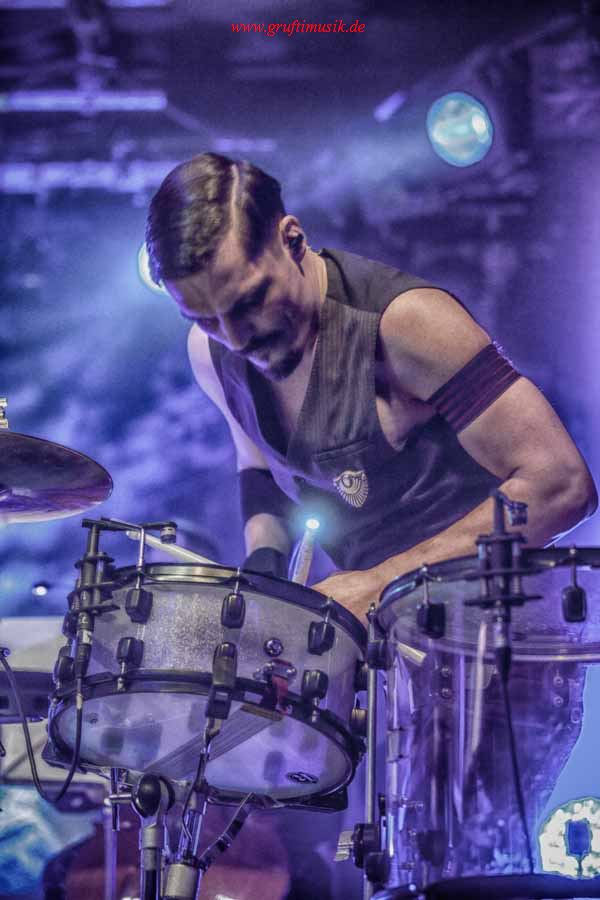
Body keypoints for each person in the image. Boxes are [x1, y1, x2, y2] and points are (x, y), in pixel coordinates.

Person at [145, 152, 597, 616]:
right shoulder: (210, 352)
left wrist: (381, 583)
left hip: (501, 627)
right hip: (381, 632)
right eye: (204, 317)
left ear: (292, 240)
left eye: (250, 301)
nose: (237, 338)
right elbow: (259, 461)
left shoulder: (406, 323)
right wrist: (264, 568)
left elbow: (562, 485)